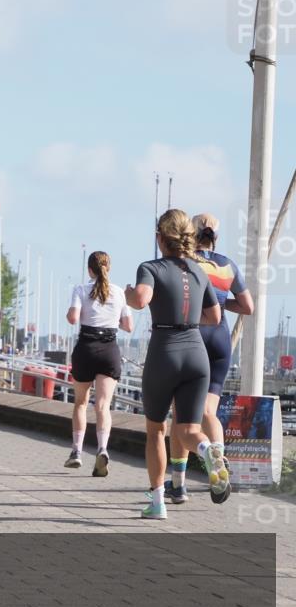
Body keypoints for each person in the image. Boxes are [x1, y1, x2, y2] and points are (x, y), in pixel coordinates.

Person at [125, 209, 225, 520]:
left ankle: (157, 503)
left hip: (165, 350)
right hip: (197, 353)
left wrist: (128, 294)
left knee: (157, 430)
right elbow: (215, 317)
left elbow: (141, 299)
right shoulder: (199, 271)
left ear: (160, 238)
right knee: (189, 429)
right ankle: (210, 452)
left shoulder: (150, 267)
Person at [164, 214, 254, 503]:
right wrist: (220, 300)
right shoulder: (227, 264)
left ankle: (178, 485)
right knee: (208, 413)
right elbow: (247, 306)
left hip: (192, 337)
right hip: (220, 339)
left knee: (181, 415)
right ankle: (219, 459)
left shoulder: (184, 263)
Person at [64, 251, 133, 476]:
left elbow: (73, 318)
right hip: (109, 349)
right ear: (108, 268)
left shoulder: (81, 290)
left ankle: (76, 451)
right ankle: (103, 448)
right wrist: (112, 320)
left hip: (86, 348)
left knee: (81, 404)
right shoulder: (119, 292)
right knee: (103, 406)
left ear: (89, 269)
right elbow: (128, 326)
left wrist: (76, 312)